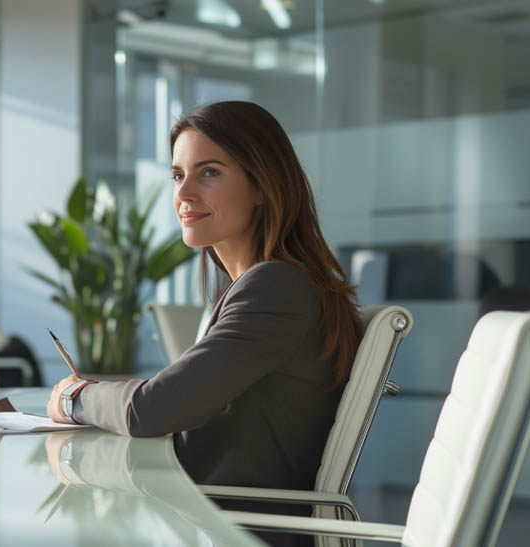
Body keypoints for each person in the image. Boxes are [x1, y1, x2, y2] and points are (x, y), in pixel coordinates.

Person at [46, 101, 361, 505]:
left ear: (264, 185)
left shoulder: (276, 286)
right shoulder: (258, 285)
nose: (184, 193)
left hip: (238, 531)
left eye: (209, 173)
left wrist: (74, 397)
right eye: (178, 175)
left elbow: (154, 409)